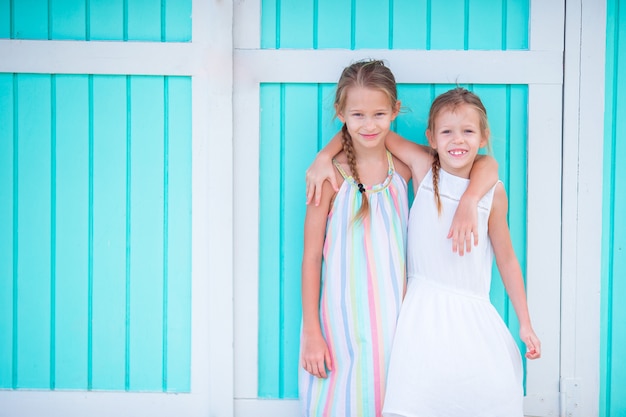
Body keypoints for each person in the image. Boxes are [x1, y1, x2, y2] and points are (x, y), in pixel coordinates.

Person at [299, 59, 498, 417]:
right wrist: (312, 331)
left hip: (396, 316)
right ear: (341, 113)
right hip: (339, 316)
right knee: (342, 399)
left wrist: (469, 200)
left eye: (379, 114)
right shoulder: (329, 177)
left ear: (394, 112)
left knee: (392, 398)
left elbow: (485, 165)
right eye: (357, 114)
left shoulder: (404, 169)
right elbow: (311, 257)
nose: (369, 123)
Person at [382, 87, 541, 417]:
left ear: (483, 137)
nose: (458, 140)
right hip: (424, 315)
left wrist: (525, 322)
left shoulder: (492, 194)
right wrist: (325, 157)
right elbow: (372, 133)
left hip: (473, 318)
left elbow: (507, 259)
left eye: (468, 131)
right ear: (432, 138)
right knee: (421, 400)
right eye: (447, 132)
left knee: (486, 395)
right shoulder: (426, 170)